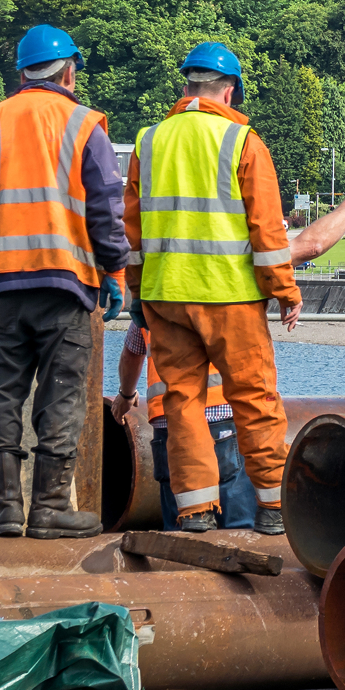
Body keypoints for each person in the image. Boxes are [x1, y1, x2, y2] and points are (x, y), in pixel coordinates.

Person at [110, 165, 345, 527]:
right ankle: (269, 518)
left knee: (183, 535)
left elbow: (133, 349)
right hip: (225, 421)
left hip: (170, 429)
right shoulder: (239, 266)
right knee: (239, 532)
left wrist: (125, 396)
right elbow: (309, 245)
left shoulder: (158, 284)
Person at [0, 25, 129, 539]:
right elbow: (105, 207)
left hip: (2, 288)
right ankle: (50, 508)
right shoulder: (83, 123)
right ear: (69, 71)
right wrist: (114, 271)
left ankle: (7, 510)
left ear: (21, 73)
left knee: (2, 394)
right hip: (65, 288)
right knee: (62, 397)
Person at [124, 42, 301, 536]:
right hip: (230, 297)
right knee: (255, 399)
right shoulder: (243, 142)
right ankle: (274, 507)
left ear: (186, 87)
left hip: (165, 296)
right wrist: (285, 292)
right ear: (230, 91)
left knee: (181, 404)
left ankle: (196, 511)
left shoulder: (148, 142)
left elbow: (132, 233)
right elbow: (267, 233)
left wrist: (138, 296)